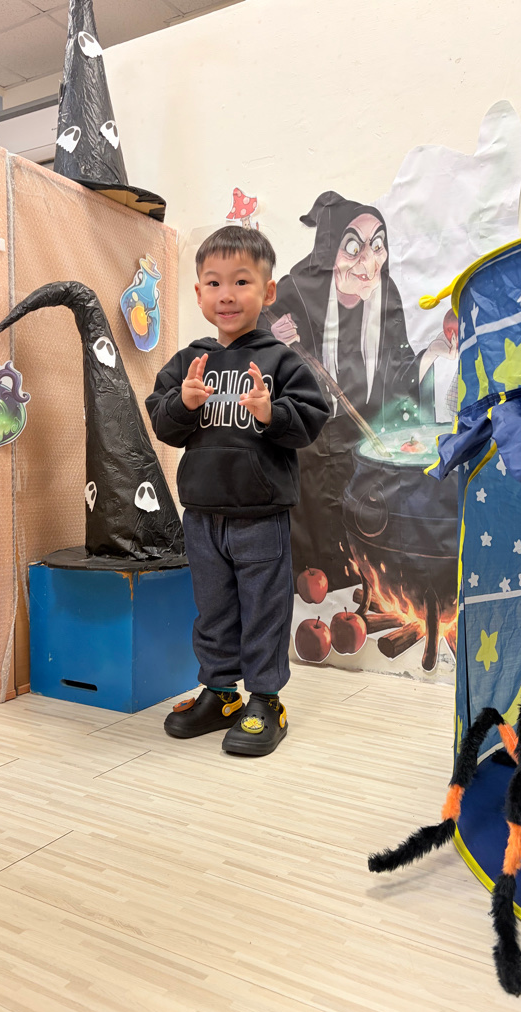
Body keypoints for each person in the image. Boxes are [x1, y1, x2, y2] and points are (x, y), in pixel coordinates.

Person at [146, 225, 329, 756]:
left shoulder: (281, 360)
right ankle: (221, 694)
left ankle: (266, 700)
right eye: (214, 282)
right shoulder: (189, 362)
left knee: (264, 610)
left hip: (260, 516)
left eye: (241, 281)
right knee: (214, 610)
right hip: (202, 516)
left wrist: (273, 413)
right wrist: (184, 403)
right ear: (198, 292)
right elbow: (163, 423)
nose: (226, 294)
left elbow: (312, 418)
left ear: (267, 292)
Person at [264, 191, 422, 590]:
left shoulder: (387, 294)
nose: (368, 261)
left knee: (367, 514)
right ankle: (318, 589)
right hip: (313, 434)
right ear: (331, 249)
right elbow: (259, 338)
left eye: (378, 245)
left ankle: (368, 589)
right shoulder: (296, 288)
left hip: (364, 428)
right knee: (316, 511)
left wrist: (408, 420)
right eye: (354, 247)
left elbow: (399, 362)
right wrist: (274, 336)